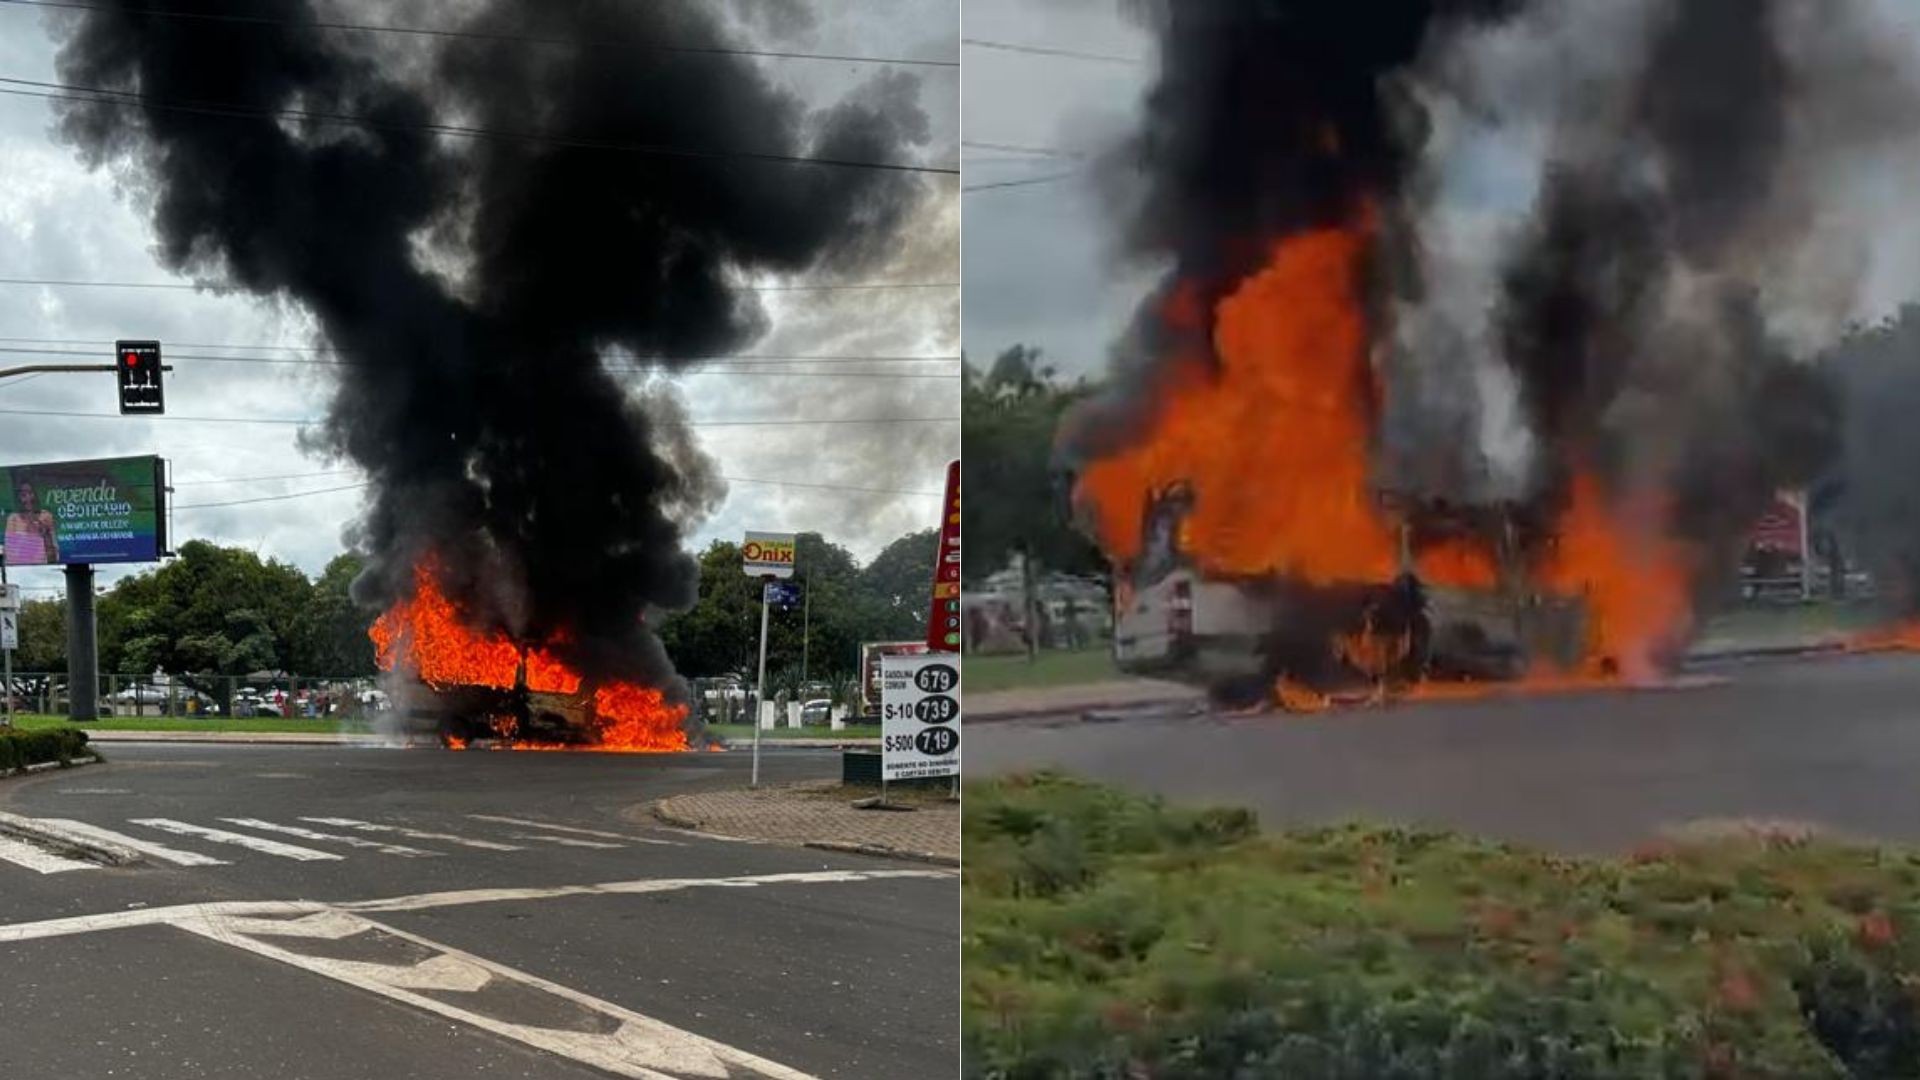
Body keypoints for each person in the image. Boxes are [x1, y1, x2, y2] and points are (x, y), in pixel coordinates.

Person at [3, 478, 58, 565]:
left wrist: (45, 535)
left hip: (43, 569)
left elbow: (54, 557)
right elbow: (10, 556)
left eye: (31, 493)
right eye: (23, 495)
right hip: (20, 569)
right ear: (18, 498)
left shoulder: (46, 516)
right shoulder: (13, 519)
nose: (28, 498)